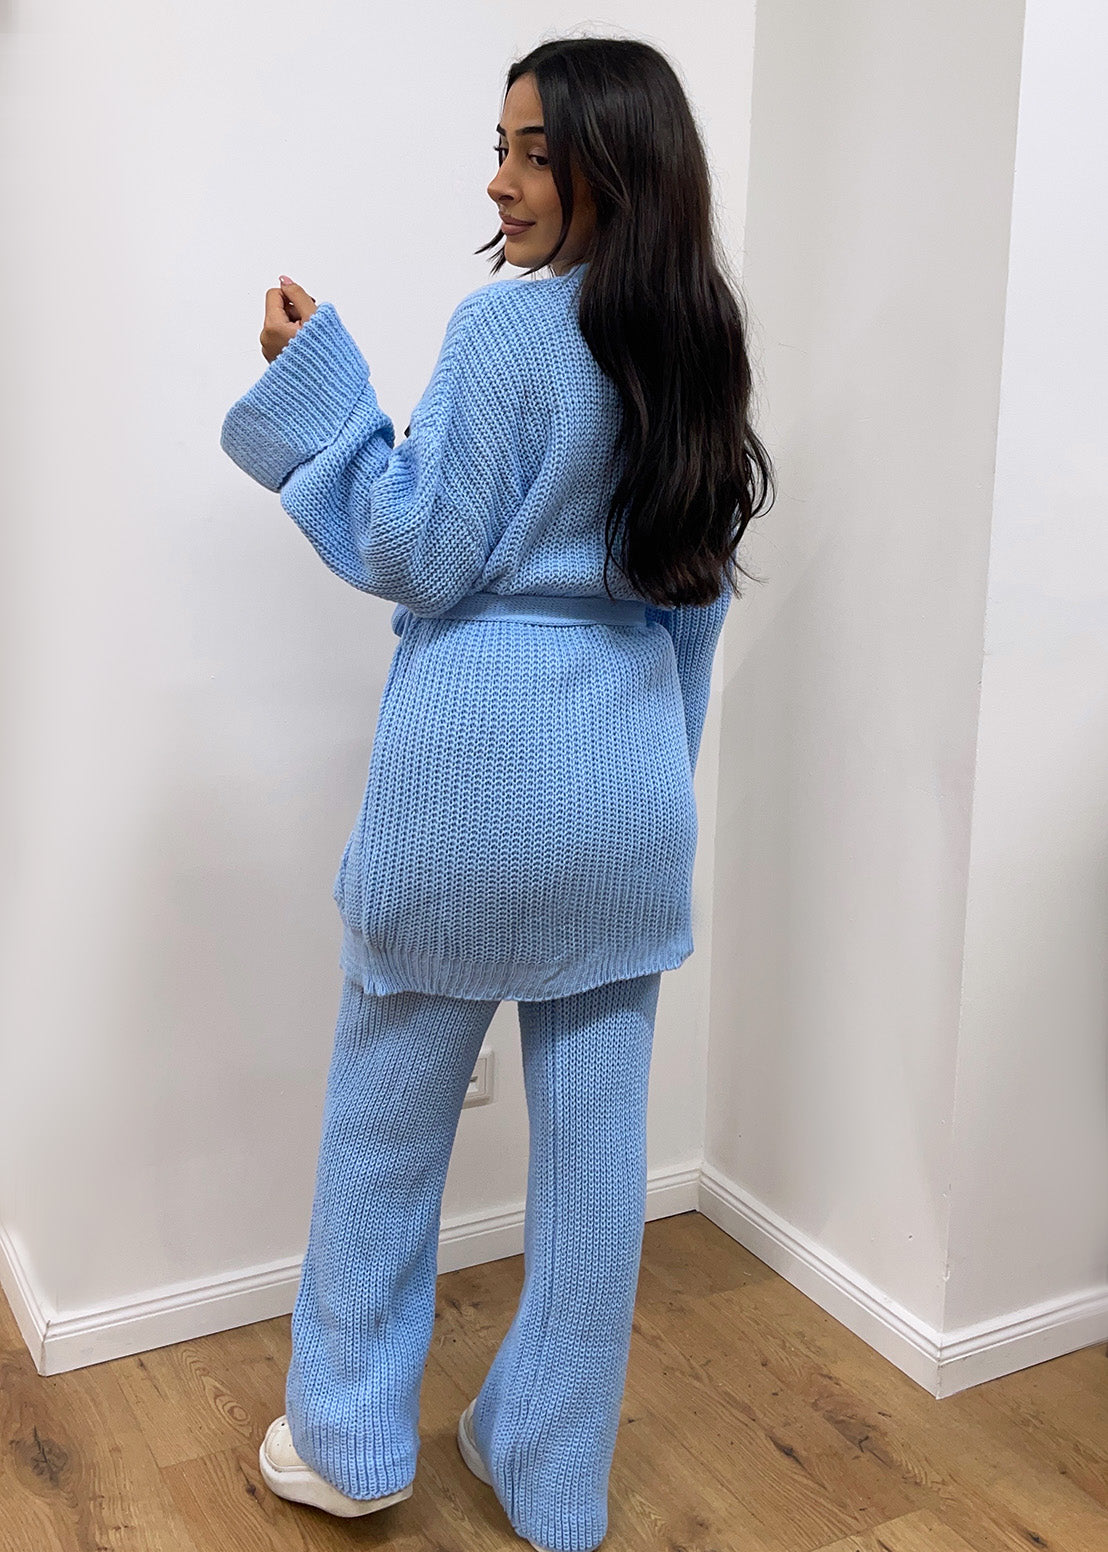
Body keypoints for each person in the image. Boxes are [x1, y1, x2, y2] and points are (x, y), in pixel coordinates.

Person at [219, 33, 774, 1552]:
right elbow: (697, 610)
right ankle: (552, 1471)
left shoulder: (506, 331)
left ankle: (349, 1444)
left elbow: (415, 547)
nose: (500, 182)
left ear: (613, 166)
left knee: (386, 1134)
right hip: (627, 798)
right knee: (597, 1176)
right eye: (502, 148)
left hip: (470, 796)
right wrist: (654, 791)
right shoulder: (697, 347)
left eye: (533, 151)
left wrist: (321, 387)